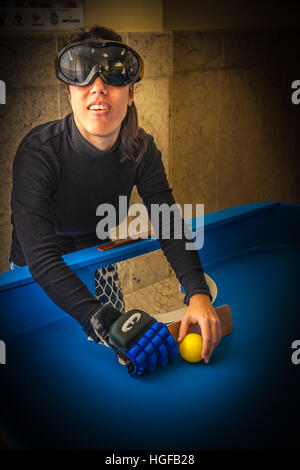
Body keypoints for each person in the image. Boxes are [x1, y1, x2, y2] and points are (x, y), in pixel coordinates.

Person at [8, 25, 221, 373]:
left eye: (113, 77)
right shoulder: (37, 152)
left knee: (110, 372)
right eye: (84, 77)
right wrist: (105, 322)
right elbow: (42, 258)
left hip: (101, 268)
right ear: (68, 91)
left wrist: (197, 292)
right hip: (36, 276)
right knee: (46, 374)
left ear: (131, 91)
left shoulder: (141, 149)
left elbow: (168, 221)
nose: (98, 87)